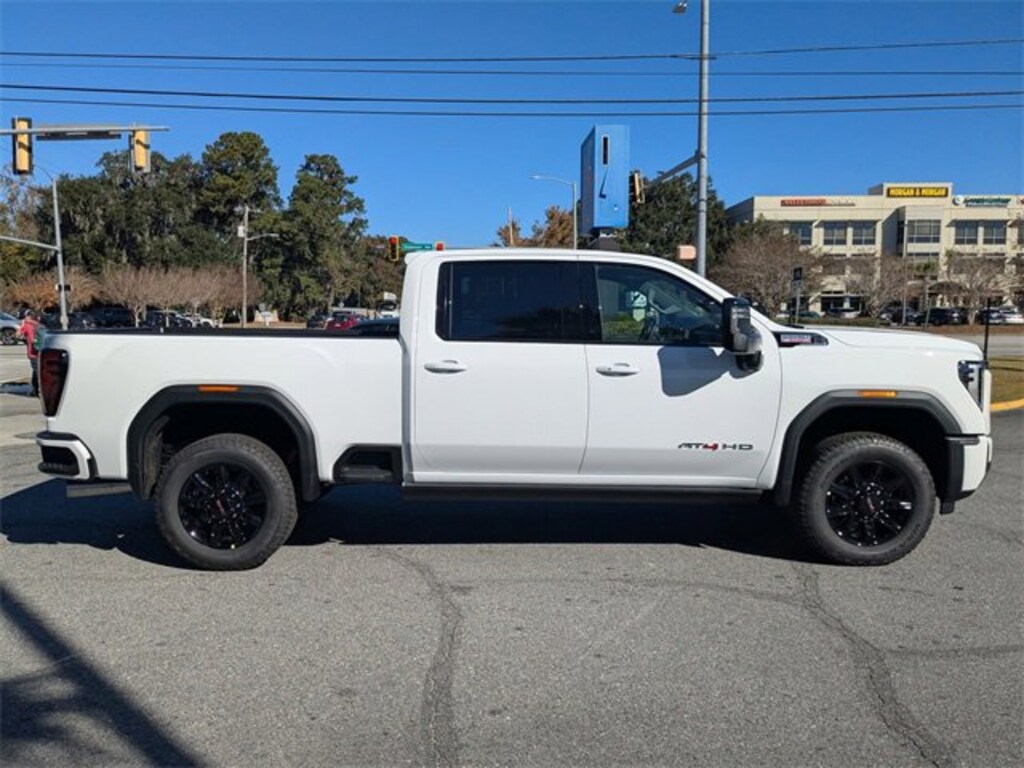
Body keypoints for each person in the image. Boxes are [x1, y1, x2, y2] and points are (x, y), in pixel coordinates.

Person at [17, 309, 41, 396]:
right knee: (36, 371)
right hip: (41, 351)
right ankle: (34, 389)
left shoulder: (27, 325)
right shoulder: (39, 324)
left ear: (28, 317)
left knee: (37, 372)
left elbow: (18, 335)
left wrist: (22, 325)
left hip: (32, 352)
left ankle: (39, 390)